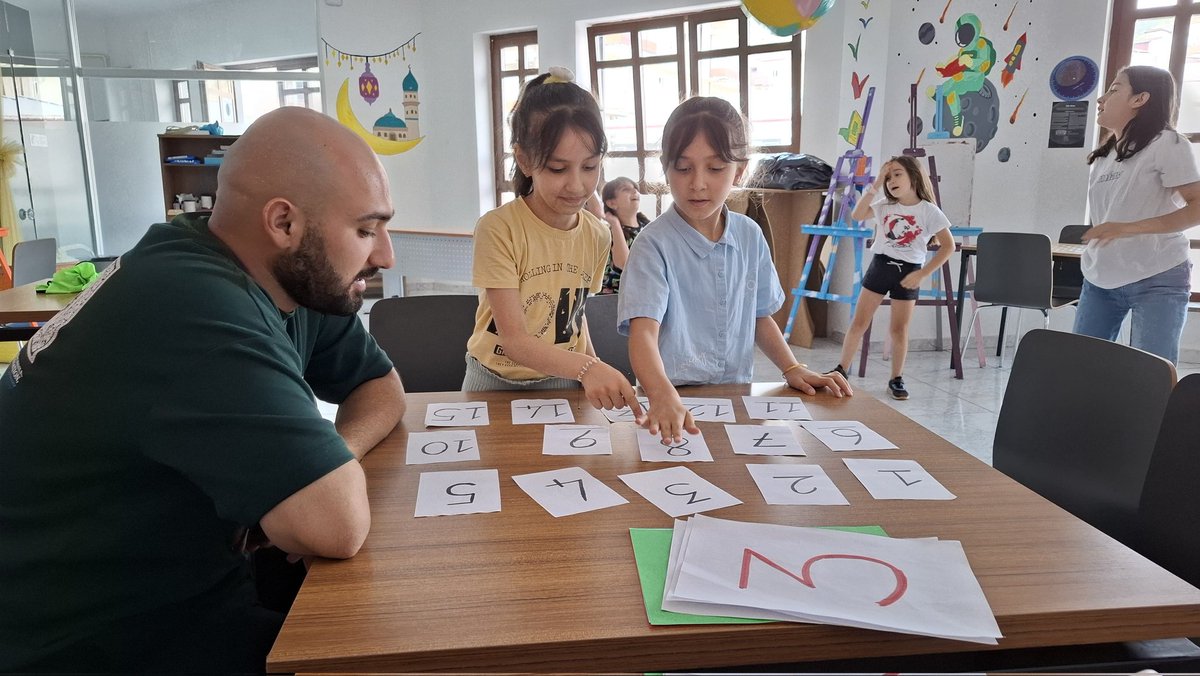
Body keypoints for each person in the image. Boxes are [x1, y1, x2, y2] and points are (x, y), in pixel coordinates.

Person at [0, 107, 406, 672]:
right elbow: (333, 525)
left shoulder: (289, 277)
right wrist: (316, 480)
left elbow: (381, 388)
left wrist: (336, 457)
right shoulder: (194, 305)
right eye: (365, 230)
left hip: (188, 593)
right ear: (284, 223)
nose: (384, 255)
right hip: (94, 641)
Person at [617, 96, 851, 444]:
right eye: (683, 168)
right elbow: (643, 334)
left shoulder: (749, 235)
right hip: (671, 403)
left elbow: (758, 316)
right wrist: (660, 393)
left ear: (739, 171)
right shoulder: (653, 244)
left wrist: (791, 368)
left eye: (715, 168)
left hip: (736, 397)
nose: (698, 183)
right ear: (665, 169)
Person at [463, 67, 642, 418]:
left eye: (590, 167)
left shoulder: (598, 232)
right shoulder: (498, 229)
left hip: (563, 378)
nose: (577, 185)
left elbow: (576, 313)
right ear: (525, 160)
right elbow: (514, 342)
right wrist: (588, 369)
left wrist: (590, 363)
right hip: (493, 379)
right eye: (559, 169)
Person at [1076, 65, 1200, 365]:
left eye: (1115, 89)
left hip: (1158, 277)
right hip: (1100, 277)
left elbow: (1196, 206)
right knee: (1081, 365)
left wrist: (1127, 228)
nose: (1101, 98)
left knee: (1151, 373)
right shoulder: (1105, 155)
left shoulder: (1168, 143)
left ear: (1140, 98)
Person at [827, 155, 955, 400]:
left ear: (913, 177)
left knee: (899, 329)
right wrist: (875, 184)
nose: (892, 180)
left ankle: (896, 378)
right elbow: (857, 215)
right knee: (859, 322)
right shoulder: (884, 205)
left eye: (897, 174)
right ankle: (841, 369)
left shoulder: (929, 211)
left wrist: (922, 273)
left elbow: (948, 246)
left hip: (909, 272)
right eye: (889, 176)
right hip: (881, 267)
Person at [599, 176, 649, 294]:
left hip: (642, 296)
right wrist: (615, 223)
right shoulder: (609, 233)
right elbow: (624, 264)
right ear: (612, 203)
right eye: (626, 189)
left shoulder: (647, 227)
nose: (635, 191)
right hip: (612, 301)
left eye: (635, 188)